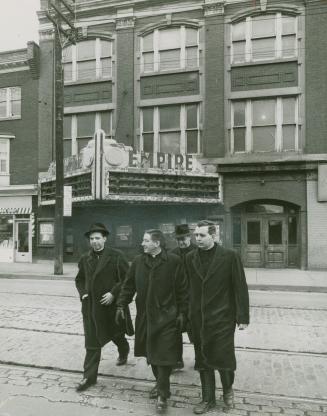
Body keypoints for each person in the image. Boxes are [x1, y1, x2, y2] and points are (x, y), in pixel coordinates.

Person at [116, 229, 188, 413]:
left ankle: (162, 395)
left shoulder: (173, 261)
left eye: (146, 240)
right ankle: (160, 383)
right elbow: (129, 285)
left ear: (157, 243)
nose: (142, 243)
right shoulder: (139, 261)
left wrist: (182, 313)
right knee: (152, 355)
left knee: (163, 355)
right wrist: (121, 305)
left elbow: (183, 290)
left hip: (168, 317)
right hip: (146, 317)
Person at [184, 220, 249, 414]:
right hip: (198, 318)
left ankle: (228, 391)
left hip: (222, 317)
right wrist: (187, 314)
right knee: (202, 359)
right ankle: (207, 398)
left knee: (224, 358)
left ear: (214, 236)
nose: (197, 239)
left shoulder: (230, 256)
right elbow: (187, 288)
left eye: (202, 235)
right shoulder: (190, 258)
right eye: (196, 235)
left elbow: (240, 287)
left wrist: (242, 316)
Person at [75, 223, 134, 392]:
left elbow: (127, 279)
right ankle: (89, 377)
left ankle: (123, 349)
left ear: (105, 239)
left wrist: (113, 293)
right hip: (91, 308)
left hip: (111, 308)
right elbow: (79, 279)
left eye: (98, 238)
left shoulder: (116, 256)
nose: (95, 242)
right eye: (92, 239)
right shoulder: (85, 258)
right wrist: (84, 293)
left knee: (116, 335)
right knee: (92, 342)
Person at [171, 223, 196, 369]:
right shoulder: (172, 253)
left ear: (189, 237)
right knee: (176, 330)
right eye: (178, 239)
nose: (181, 241)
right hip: (178, 297)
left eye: (184, 238)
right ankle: (177, 360)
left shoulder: (197, 251)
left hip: (193, 297)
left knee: (195, 329)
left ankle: (200, 358)